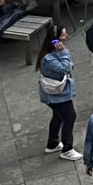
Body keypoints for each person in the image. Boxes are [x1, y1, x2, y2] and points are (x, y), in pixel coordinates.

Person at [36, 27, 80, 160]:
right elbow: (66, 67)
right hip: (56, 95)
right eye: (63, 35)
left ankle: (53, 143)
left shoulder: (53, 54)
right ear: (55, 40)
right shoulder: (48, 58)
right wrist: (64, 52)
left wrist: (63, 56)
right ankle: (67, 149)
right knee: (69, 117)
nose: (66, 37)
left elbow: (67, 65)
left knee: (58, 116)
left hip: (58, 94)